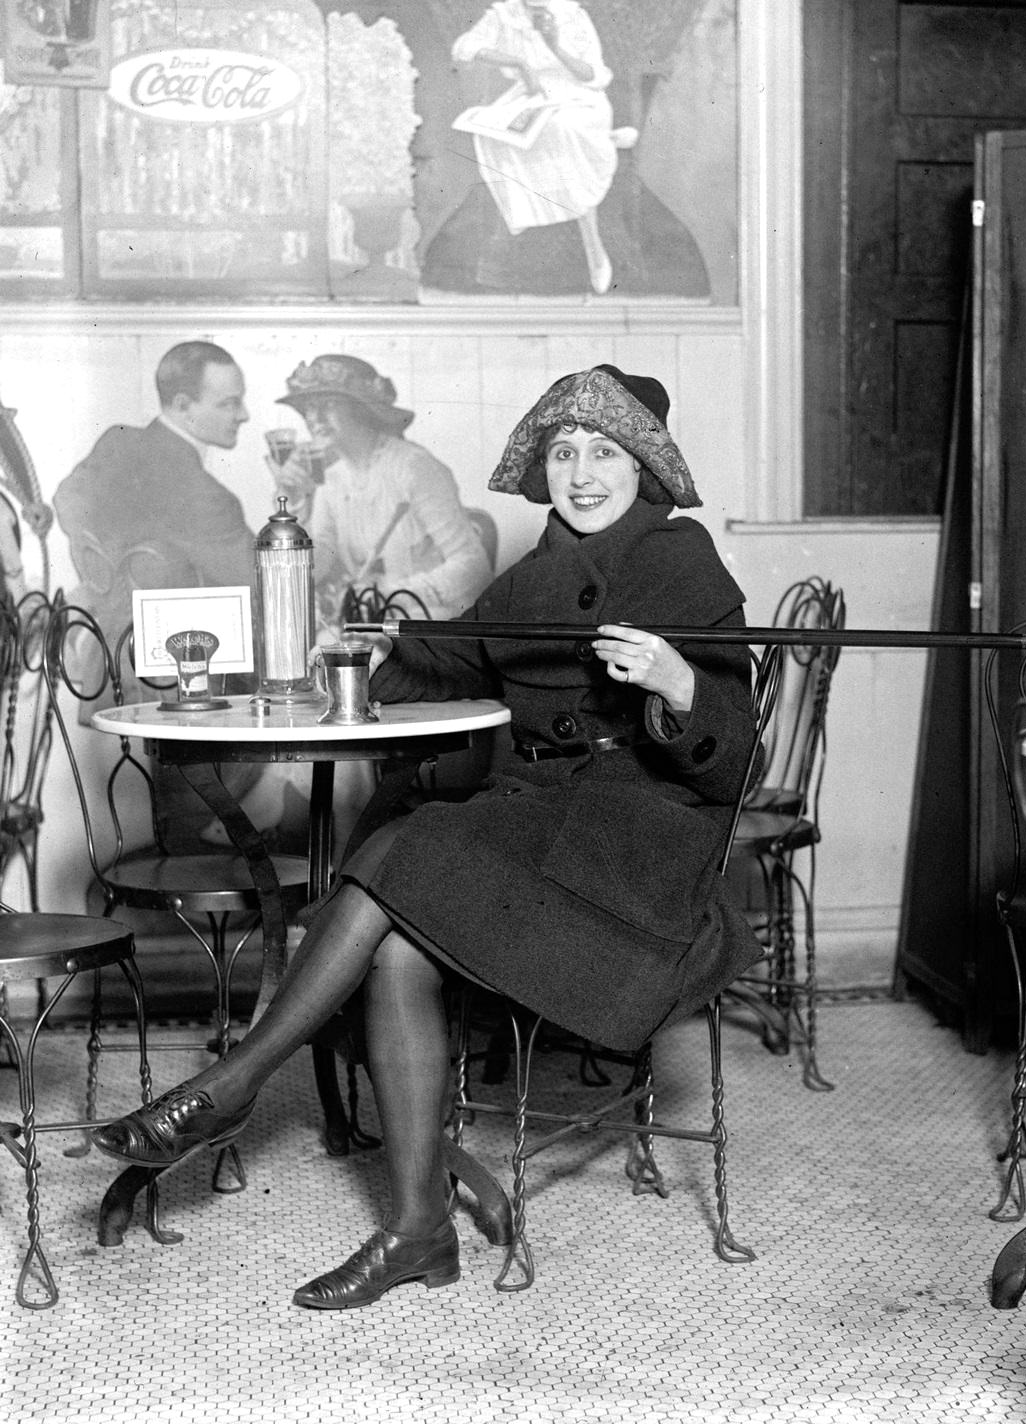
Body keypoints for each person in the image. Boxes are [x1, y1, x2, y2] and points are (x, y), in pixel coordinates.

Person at [91, 363, 763, 1310]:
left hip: (636, 854)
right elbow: (453, 654)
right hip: (542, 829)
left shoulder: (682, 561)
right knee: (398, 944)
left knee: (399, 854)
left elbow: (736, 767)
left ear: (643, 467)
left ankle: (232, 1085)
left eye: (604, 454)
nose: (580, 474)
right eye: (563, 452)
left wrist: (678, 683)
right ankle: (417, 1232)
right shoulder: (536, 574)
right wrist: (379, 650)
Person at [53, 339, 254, 704]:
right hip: (177, 681)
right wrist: (299, 497)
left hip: (106, 659)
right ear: (183, 405)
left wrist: (104, 583)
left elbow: (67, 500)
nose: (243, 415)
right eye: (228, 403)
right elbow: (262, 583)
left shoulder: (117, 442)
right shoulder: (206, 497)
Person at [269, 354, 492, 641]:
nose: (314, 418)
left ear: (361, 408)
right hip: (370, 624)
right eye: (309, 408)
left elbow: (473, 567)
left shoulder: (413, 466)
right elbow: (314, 570)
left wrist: (387, 596)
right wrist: (291, 502)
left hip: (429, 623)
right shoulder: (331, 481)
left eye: (329, 404)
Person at [451, 0, 629, 294]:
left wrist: (556, 46)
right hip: (531, 94)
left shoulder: (573, 15)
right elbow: (465, 47)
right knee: (494, 134)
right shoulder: (505, 14)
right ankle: (527, 210)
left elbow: (593, 75)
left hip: (580, 96)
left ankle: (593, 246)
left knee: (562, 129)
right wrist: (518, 63)